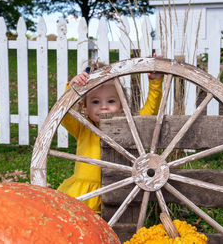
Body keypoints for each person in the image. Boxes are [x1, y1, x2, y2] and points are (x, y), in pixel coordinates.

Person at [58, 64, 164, 213]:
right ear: (85, 107)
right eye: (95, 102)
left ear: (122, 105)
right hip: (84, 196)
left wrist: (155, 82)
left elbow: (149, 113)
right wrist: (72, 89)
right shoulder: (83, 127)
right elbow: (65, 116)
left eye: (111, 101)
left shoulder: (127, 127)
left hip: (117, 191)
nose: (103, 107)